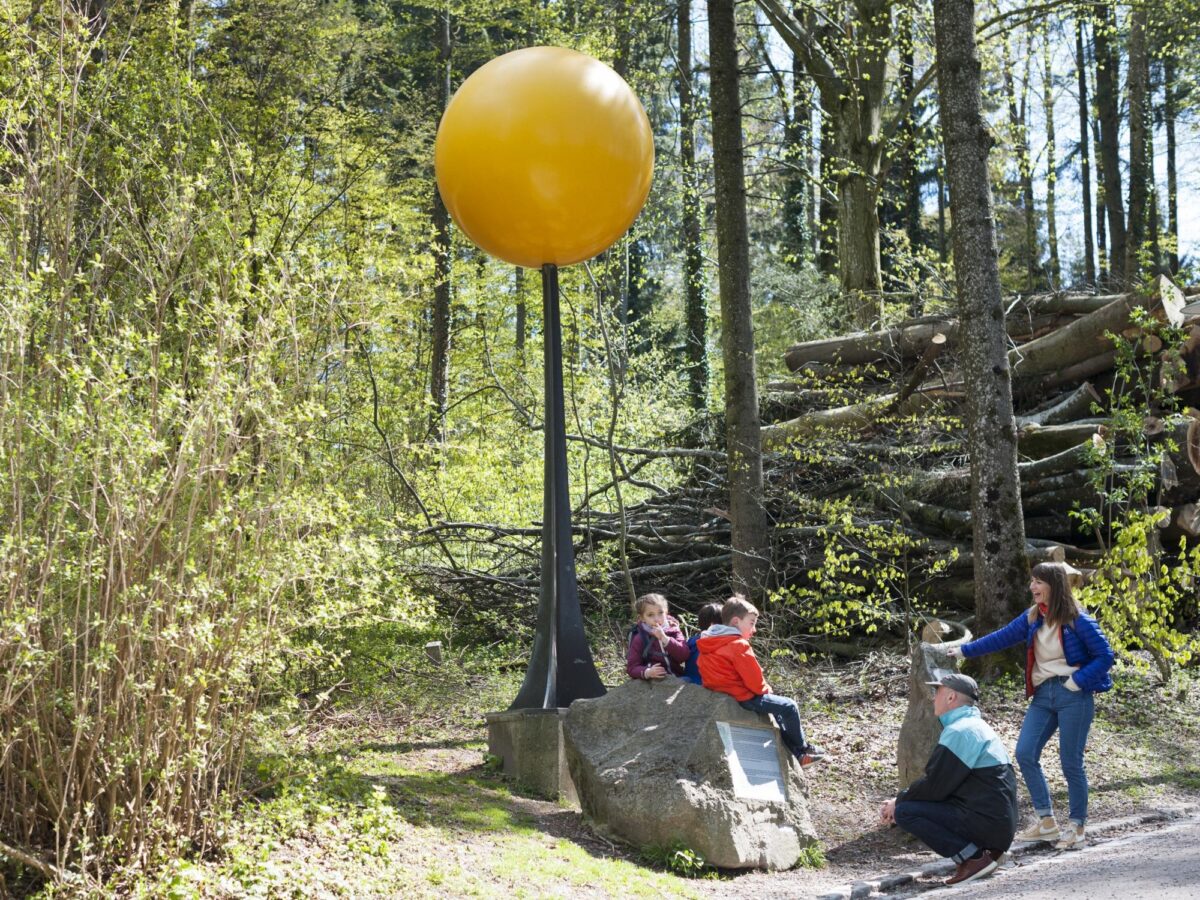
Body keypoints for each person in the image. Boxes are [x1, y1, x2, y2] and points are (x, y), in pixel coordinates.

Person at [947, 561, 1114, 851]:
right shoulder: (1033, 617)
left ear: (1054, 585)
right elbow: (1000, 638)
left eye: (1038, 582)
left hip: (1073, 694)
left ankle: (1077, 826)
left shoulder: (1078, 620)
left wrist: (1077, 681)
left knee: (1070, 763)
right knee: (1025, 753)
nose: (1032, 587)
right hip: (1043, 696)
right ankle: (1046, 822)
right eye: (1032, 581)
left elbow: (1105, 655)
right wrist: (963, 650)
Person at [879, 673, 1018, 886]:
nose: (933, 699)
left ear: (951, 697)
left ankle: (974, 859)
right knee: (910, 804)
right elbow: (942, 786)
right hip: (995, 825)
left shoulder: (961, 731)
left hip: (989, 826)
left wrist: (899, 801)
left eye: (938, 693)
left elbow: (935, 786)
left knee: (905, 812)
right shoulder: (974, 726)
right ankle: (986, 853)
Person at [697, 595, 825, 766]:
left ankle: (799, 756)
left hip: (725, 694)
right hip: (744, 696)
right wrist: (766, 689)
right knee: (789, 707)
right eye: (751, 623)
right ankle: (803, 747)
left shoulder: (708, 641)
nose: (755, 629)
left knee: (778, 713)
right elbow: (755, 683)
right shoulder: (738, 645)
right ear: (736, 622)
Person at [626, 592, 689, 681]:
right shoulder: (640, 637)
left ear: (666, 612)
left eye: (660, 613)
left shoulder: (673, 629)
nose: (657, 619)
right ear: (642, 618)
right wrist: (648, 672)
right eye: (650, 615)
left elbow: (684, 656)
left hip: (677, 677)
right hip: (652, 681)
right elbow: (631, 668)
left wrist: (665, 639)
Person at [682, 602, 722, 685]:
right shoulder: (720, 644)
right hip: (705, 686)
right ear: (713, 625)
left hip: (688, 681)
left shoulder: (692, 641)